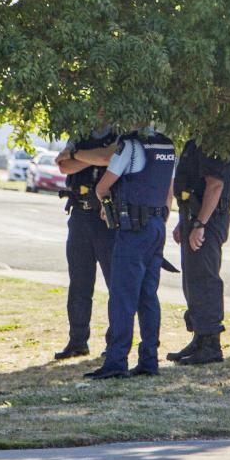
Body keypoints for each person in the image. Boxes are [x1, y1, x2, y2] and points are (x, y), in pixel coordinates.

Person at [58, 126, 176, 379]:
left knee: (122, 296)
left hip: (133, 228)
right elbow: (168, 191)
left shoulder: (130, 146)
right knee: (148, 296)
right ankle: (149, 360)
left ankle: (116, 361)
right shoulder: (167, 145)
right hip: (156, 226)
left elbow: (103, 187)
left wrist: (106, 206)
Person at [168, 139, 230, 365]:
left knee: (205, 279)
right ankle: (199, 336)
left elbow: (215, 185)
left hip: (208, 221)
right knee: (192, 278)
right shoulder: (194, 142)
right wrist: (185, 223)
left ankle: (210, 344)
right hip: (194, 216)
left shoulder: (216, 141)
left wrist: (199, 224)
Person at [53, 126, 117, 360]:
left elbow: (107, 157)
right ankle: (78, 341)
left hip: (106, 217)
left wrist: (77, 154)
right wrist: (92, 158)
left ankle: (115, 342)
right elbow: (63, 165)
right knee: (79, 283)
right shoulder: (80, 134)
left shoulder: (117, 134)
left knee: (115, 284)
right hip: (80, 215)